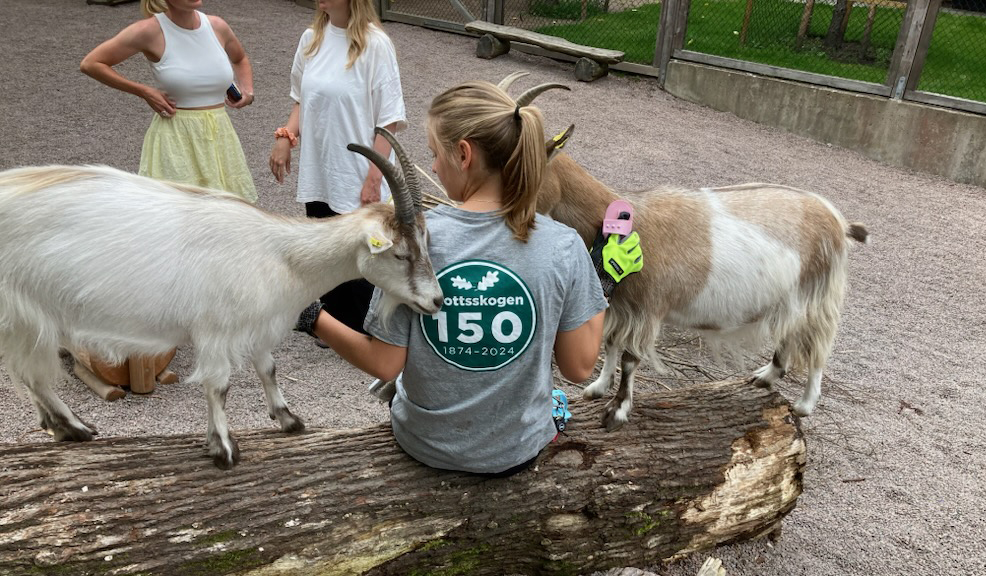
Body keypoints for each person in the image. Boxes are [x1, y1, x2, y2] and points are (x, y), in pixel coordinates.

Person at [295, 80, 610, 476]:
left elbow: (384, 364)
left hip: (426, 445)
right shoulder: (563, 245)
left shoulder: (416, 240)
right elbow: (579, 368)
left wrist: (311, 317)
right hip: (517, 449)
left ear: (463, 154)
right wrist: (600, 284)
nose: (431, 167)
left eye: (433, 154)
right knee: (556, 399)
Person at [269, 0, 407, 335]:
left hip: (358, 173)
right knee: (325, 246)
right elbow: (301, 98)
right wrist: (286, 136)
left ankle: (367, 329)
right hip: (321, 169)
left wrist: (375, 177)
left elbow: (389, 119)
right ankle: (334, 325)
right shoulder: (311, 39)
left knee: (363, 252)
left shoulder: (375, 45)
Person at [80, 0, 257, 202]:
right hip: (176, 139)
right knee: (178, 213)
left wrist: (248, 91)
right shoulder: (149, 30)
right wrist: (143, 91)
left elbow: (240, 58)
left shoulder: (217, 26)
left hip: (219, 136)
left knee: (225, 217)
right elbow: (91, 63)